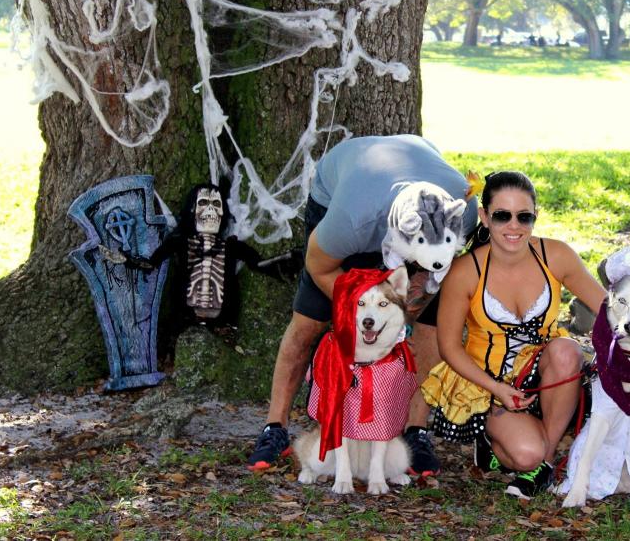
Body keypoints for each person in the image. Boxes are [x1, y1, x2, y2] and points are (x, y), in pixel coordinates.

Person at [247, 134, 477, 474]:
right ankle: (274, 428)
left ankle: (416, 431)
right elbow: (319, 265)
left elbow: (434, 277)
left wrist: (403, 314)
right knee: (309, 321)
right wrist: (364, 314)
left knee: (428, 327)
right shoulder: (351, 221)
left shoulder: (462, 211)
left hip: (414, 188)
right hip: (343, 195)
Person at [420, 171, 607, 499]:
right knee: (524, 454)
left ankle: (544, 464)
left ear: (536, 215)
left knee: (567, 350)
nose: (514, 226)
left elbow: (610, 310)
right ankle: (502, 447)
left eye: (524, 216)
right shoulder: (465, 272)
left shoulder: (556, 255)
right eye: (502, 216)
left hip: (546, 376)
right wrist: (497, 389)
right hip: (488, 383)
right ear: (484, 216)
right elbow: (449, 347)